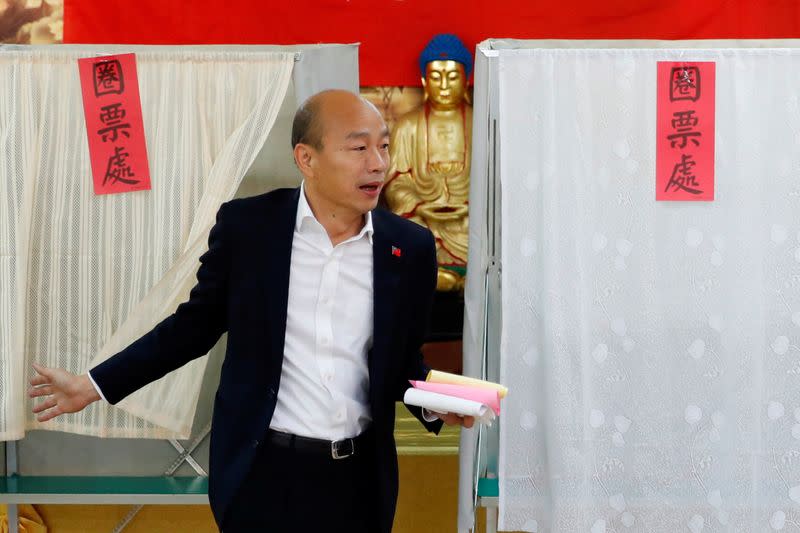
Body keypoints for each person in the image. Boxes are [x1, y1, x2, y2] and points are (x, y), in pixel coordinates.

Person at [28, 89, 474, 533]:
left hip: (357, 481)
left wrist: (436, 404)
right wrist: (94, 385)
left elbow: (402, 363)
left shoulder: (409, 248)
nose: (378, 163)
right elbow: (193, 327)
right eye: (358, 148)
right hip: (262, 473)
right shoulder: (250, 229)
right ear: (307, 159)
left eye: (384, 145)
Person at [385, 34, 472, 292]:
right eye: (436, 78)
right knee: (407, 233)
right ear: (424, 80)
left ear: (467, 80)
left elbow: (493, 182)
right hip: (423, 219)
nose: (444, 86)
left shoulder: (481, 123)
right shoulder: (407, 126)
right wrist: (419, 204)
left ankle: (444, 277)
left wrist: (468, 208)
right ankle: (449, 279)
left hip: (465, 221)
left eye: (453, 77)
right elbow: (394, 183)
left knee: (486, 236)